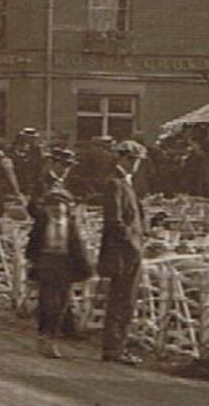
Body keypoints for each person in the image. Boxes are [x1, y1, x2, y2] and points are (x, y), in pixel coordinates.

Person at [24, 148, 91, 358]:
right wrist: (45, 211)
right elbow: (32, 208)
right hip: (47, 246)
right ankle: (48, 335)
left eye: (69, 166)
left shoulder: (65, 186)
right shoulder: (43, 182)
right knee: (50, 298)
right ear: (53, 163)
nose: (66, 170)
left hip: (62, 247)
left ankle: (58, 331)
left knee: (60, 297)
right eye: (63, 165)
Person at [98, 139, 148, 365]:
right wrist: (133, 243)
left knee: (124, 300)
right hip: (123, 252)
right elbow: (114, 221)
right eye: (134, 160)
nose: (136, 165)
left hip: (129, 248)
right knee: (122, 299)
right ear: (123, 158)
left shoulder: (124, 183)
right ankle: (114, 347)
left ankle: (117, 345)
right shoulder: (115, 183)